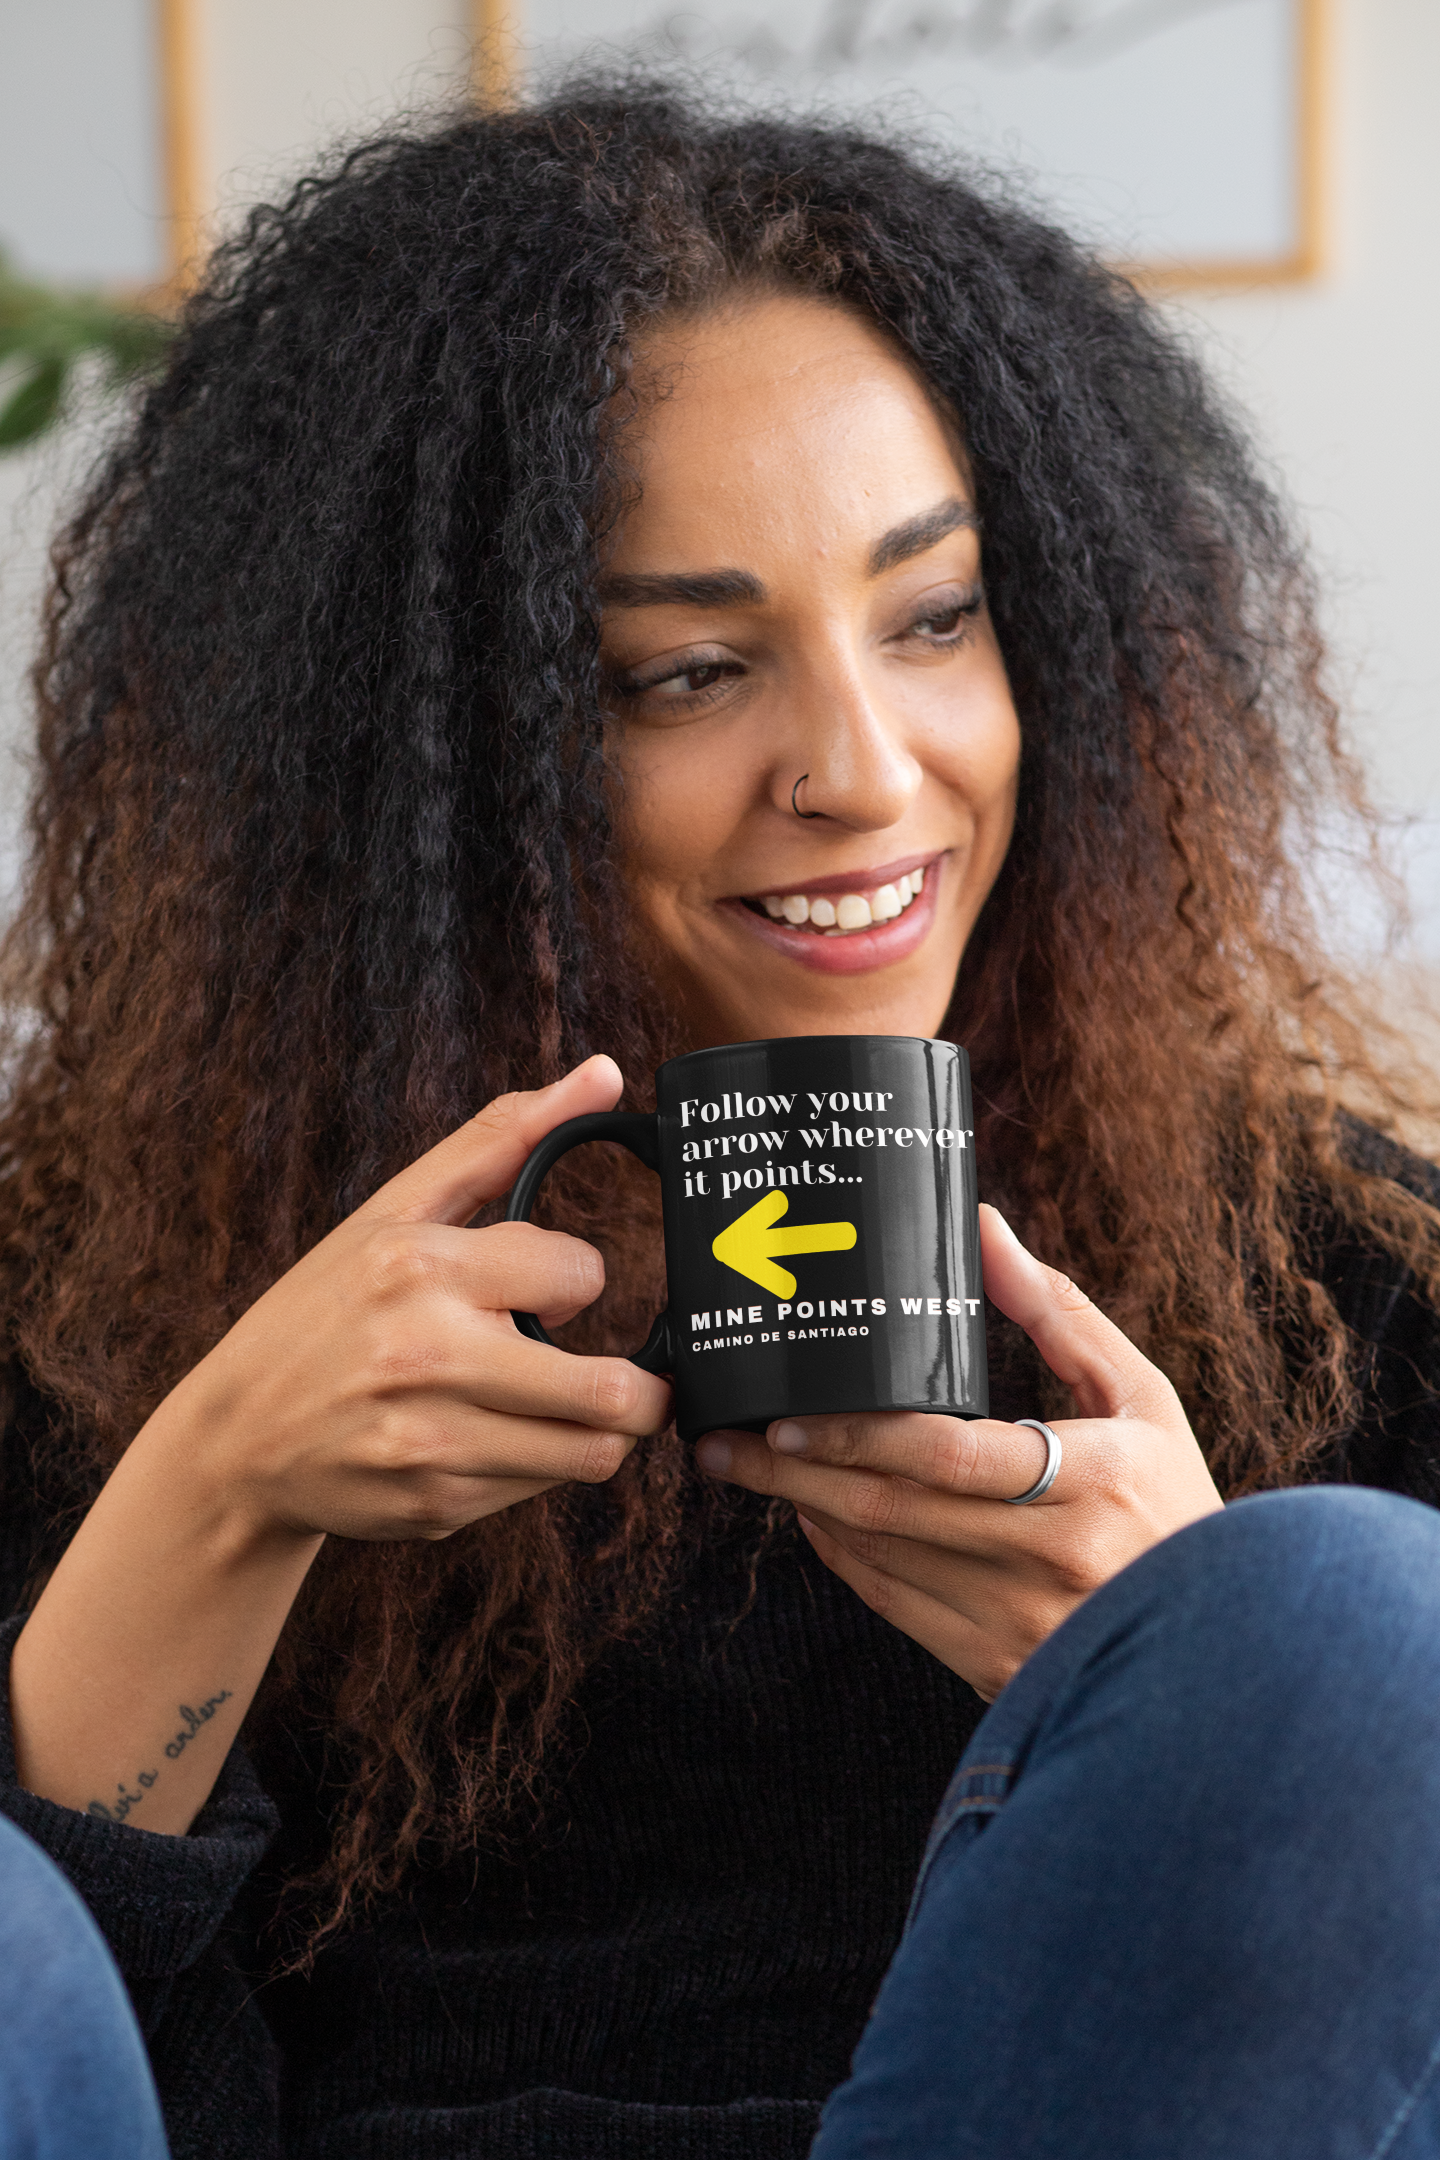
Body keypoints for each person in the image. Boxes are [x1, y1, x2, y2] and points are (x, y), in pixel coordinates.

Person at [1, 80, 1439, 2160]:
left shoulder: (1337, 1293)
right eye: (685, 672)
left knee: (1334, 1628)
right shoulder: (86, 1303)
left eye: (935, 619)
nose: (864, 767)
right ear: (405, 772)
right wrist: (210, 1500)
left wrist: (1193, 1697)